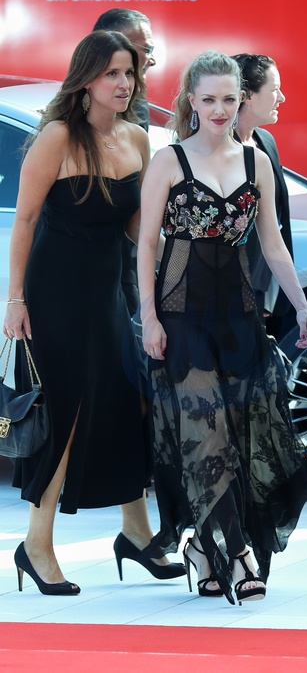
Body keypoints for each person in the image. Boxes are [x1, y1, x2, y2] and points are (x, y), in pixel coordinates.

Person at [2, 30, 184, 596]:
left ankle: (136, 532)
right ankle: (36, 544)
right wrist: (15, 300)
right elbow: (25, 220)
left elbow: (136, 228)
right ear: (86, 79)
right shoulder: (57, 136)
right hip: (55, 292)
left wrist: (181, 262)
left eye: (129, 73)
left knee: (125, 402)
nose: (124, 83)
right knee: (67, 412)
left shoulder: (137, 138)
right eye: (112, 73)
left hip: (108, 293)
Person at [137, 50, 307, 605]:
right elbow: (146, 246)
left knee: (240, 439)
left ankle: (203, 549)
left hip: (239, 319)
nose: (219, 109)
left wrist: (302, 307)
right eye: (209, 99)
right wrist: (149, 317)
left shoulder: (256, 160)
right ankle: (238, 552)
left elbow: (273, 243)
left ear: (240, 99)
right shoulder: (168, 161)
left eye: (229, 99)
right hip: (180, 318)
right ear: (191, 101)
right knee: (206, 435)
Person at [93, 8, 156, 317]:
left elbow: (136, 201)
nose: (152, 59)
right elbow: (28, 216)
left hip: (121, 263)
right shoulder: (59, 130)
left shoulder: (136, 116)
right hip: (74, 272)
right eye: (147, 48)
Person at [231, 53, 293, 326]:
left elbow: (275, 224)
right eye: (275, 89)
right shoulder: (216, 149)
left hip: (256, 290)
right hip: (223, 289)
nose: (282, 98)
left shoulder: (265, 140)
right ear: (247, 96)